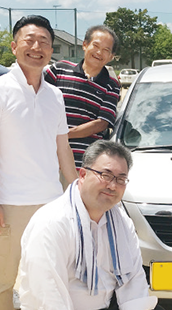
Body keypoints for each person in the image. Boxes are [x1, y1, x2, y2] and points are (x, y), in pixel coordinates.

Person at [19, 140, 158, 309]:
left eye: (121, 179)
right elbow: (48, 296)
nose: (112, 186)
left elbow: (134, 282)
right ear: (83, 175)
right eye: (105, 176)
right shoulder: (52, 223)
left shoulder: (121, 221)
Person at [0, 15, 78, 309]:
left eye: (44, 42)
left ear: (51, 50)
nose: (37, 47)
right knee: (4, 283)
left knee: (49, 280)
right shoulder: (2, 90)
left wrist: (74, 194)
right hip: (10, 206)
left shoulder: (55, 95)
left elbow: (63, 148)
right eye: (29, 40)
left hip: (50, 204)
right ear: (14, 47)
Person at [46, 25, 120, 169]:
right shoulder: (59, 70)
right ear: (85, 45)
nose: (99, 52)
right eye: (96, 45)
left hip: (84, 163)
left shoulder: (112, 85)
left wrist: (64, 135)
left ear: (111, 57)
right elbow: (38, 100)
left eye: (106, 50)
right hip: (49, 159)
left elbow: (101, 123)